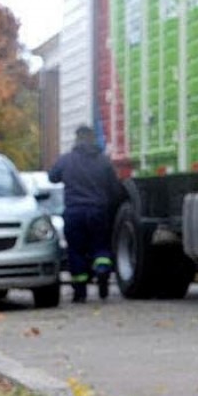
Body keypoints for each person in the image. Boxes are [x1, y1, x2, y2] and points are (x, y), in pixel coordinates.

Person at [49, 125, 124, 302]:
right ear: (92, 138)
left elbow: (52, 177)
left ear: (77, 139)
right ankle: (103, 273)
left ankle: (80, 292)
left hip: (74, 213)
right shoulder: (104, 161)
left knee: (76, 251)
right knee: (101, 247)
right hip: (98, 211)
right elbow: (115, 189)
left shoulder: (67, 160)